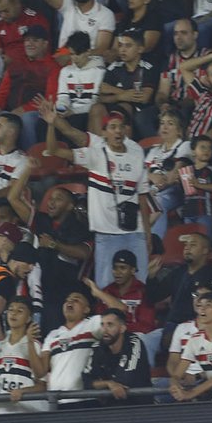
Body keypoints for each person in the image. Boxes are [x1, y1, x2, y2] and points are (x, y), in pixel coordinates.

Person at [43, 105, 150, 287]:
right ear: (104, 132)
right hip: (106, 234)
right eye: (112, 127)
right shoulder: (95, 154)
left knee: (140, 285)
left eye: (120, 126)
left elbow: (142, 196)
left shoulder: (136, 152)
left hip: (135, 232)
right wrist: (52, 124)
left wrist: (147, 234)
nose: (117, 131)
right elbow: (55, 150)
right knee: (105, 287)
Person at [0, 296, 46, 415]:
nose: (14, 314)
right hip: (0, 414)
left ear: (28, 318)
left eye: (20, 311)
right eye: (11, 310)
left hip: (29, 414)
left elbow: (43, 386)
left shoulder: (35, 345)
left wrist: (23, 391)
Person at [168, 291, 212, 402]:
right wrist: (175, 386)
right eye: (200, 305)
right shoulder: (194, 339)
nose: (202, 309)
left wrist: (191, 393)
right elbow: (177, 374)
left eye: (208, 305)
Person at [87, 308, 153, 405]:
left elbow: (127, 379)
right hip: (108, 410)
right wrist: (109, 383)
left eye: (110, 324)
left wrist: (101, 383)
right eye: (102, 325)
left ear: (122, 328)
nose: (104, 330)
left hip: (138, 407)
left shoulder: (134, 342)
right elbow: (86, 382)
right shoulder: (97, 347)